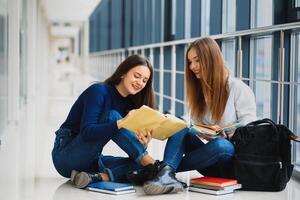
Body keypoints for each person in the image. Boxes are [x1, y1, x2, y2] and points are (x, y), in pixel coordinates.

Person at [141, 37, 257, 195]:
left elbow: (250, 129)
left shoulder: (238, 88)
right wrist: (202, 131)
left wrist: (227, 132)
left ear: (211, 59)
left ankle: (158, 170)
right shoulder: (200, 93)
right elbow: (194, 127)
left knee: (221, 145)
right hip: (209, 161)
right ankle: (166, 173)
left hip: (231, 160)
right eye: (190, 62)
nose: (192, 66)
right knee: (181, 128)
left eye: (197, 61)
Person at [52, 55, 164, 189]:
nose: (140, 82)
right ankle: (156, 166)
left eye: (145, 80)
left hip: (91, 161)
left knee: (139, 164)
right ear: (123, 73)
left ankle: (96, 177)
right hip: (66, 156)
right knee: (112, 116)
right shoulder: (98, 91)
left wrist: (143, 144)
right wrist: (120, 123)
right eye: (137, 76)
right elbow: (87, 132)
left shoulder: (129, 104)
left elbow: (130, 145)